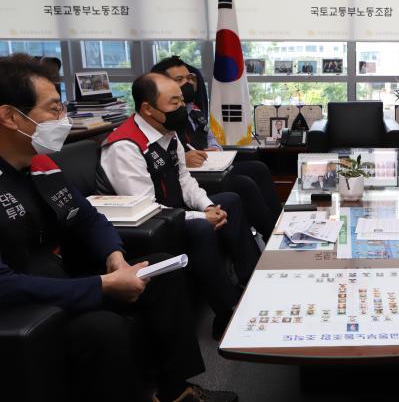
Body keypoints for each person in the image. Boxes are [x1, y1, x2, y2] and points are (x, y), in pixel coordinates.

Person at [0, 54, 237, 402]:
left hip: (68, 279)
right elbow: (6, 285)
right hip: (29, 304)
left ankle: (177, 391)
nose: (63, 119)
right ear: (10, 116)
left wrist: (115, 258)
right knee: (104, 329)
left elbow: (90, 218)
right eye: (53, 110)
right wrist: (102, 285)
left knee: (160, 268)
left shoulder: (42, 165)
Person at [99, 73, 261, 340]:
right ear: (148, 108)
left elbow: (185, 181)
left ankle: (251, 280)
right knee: (200, 228)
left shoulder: (167, 133)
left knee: (229, 201)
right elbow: (147, 209)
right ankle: (226, 312)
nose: (182, 108)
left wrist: (208, 206)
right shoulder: (125, 147)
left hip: (174, 213)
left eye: (182, 101)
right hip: (150, 227)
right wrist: (200, 217)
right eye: (174, 103)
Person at [151, 56, 281, 238]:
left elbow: (211, 138)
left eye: (189, 78)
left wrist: (215, 149)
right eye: (179, 80)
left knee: (258, 168)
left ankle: (278, 223)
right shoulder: (164, 118)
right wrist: (184, 159)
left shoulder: (194, 110)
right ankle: (271, 234)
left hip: (210, 166)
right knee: (244, 184)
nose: (188, 83)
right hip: (195, 177)